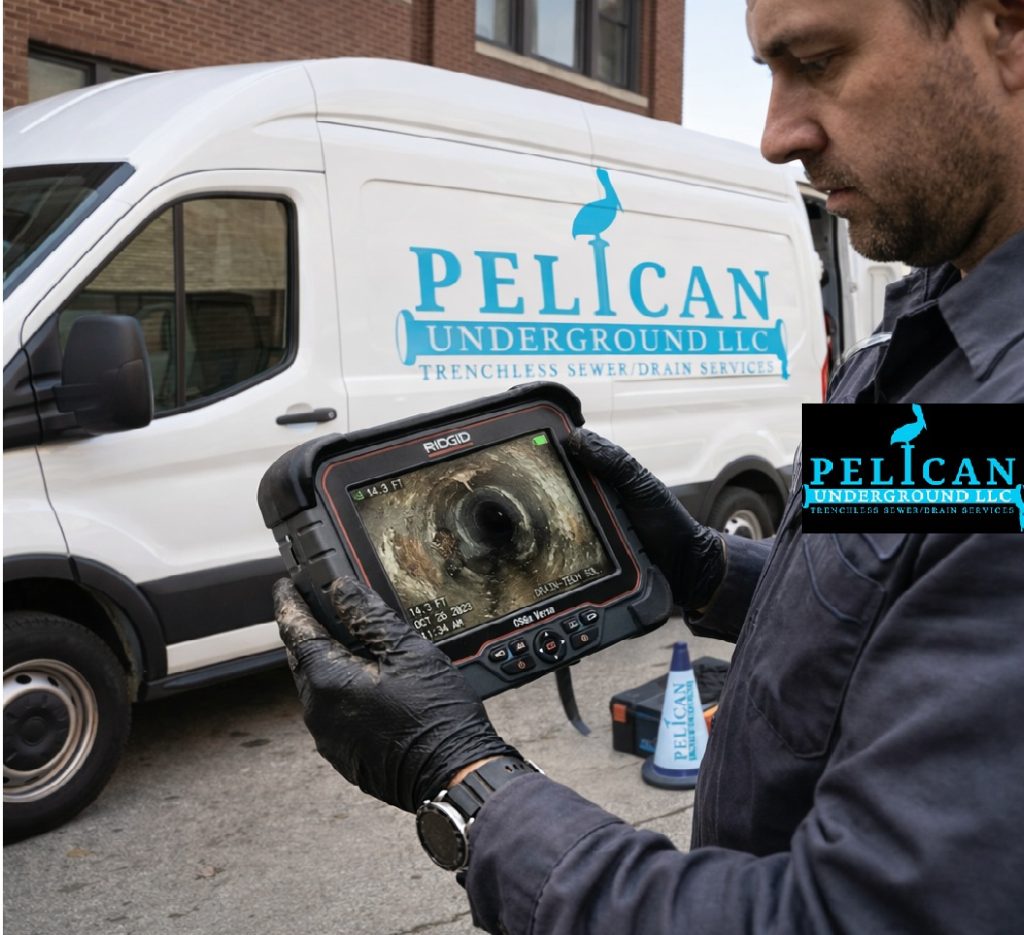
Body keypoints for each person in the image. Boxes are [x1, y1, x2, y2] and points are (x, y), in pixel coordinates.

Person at [274, 0, 1024, 931]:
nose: (775, 136)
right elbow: (888, 579)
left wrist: (466, 783)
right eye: (767, 74)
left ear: (1007, 32)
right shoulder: (930, 328)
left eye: (820, 61)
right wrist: (707, 569)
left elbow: (840, 917)